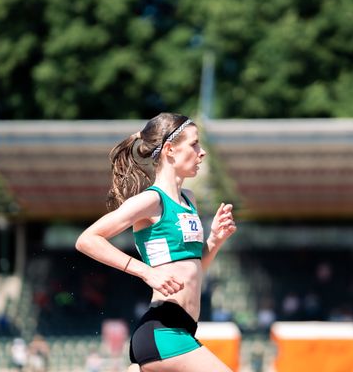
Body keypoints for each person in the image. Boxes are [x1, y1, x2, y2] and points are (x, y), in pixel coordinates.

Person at [76, 113, 237, 372]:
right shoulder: (151, 201)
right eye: (195, 144)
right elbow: (87, 240)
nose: (202, 152)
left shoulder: (189, 200)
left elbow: (191, 272)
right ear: (170, 150)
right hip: (163, 330)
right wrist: (145, 272)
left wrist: (214, 241)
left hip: (183, 328)